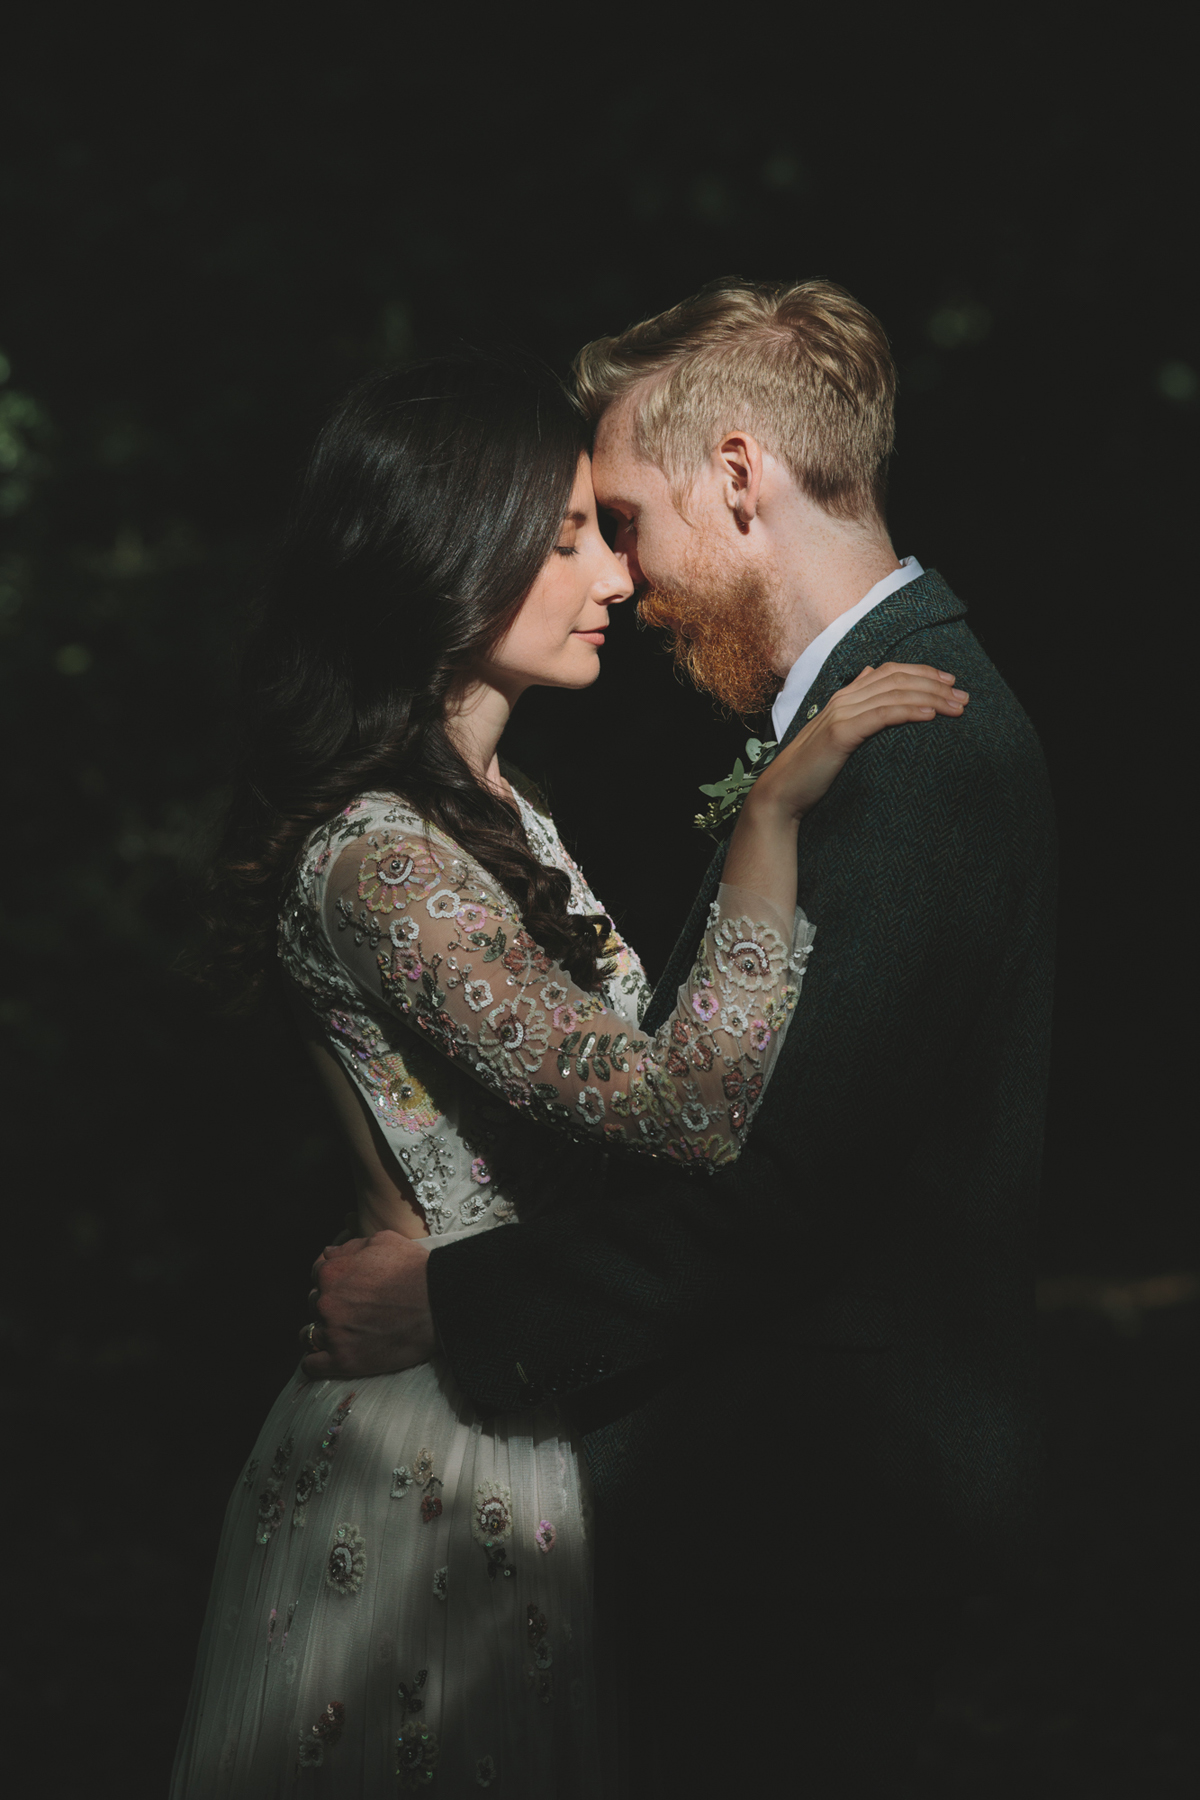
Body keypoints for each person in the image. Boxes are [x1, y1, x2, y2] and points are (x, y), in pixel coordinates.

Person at [172, 343, 967, 1796]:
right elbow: (679, 1108)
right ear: (444, 554)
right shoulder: (382, 859)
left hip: (517, 1399)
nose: (615, 577)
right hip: (427, 1452)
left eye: (607, 534)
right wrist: (769, 831)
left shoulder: (500, 811)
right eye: (564, 541)